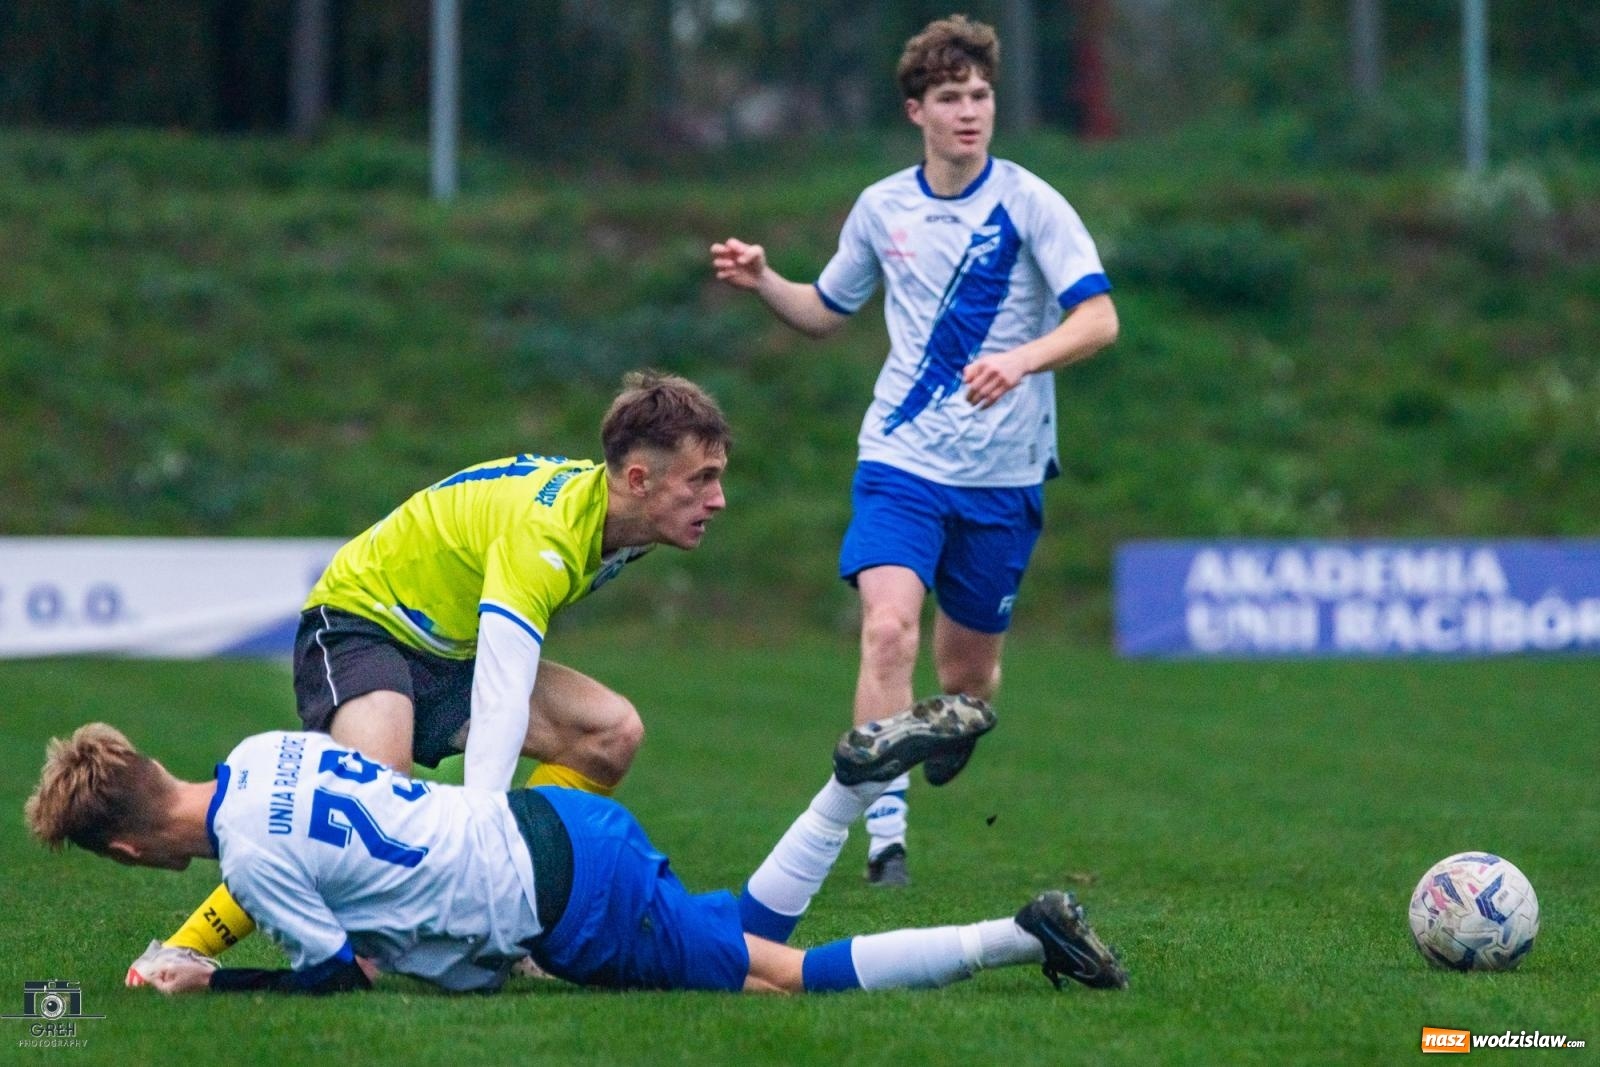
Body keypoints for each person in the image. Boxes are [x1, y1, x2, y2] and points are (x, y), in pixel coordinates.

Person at [130, 369, 732, 981]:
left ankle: (519, 914)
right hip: (363, 623)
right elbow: (501, 696)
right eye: (701, 480)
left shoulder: (630, 521)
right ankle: (185, 947)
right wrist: (480, 851)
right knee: (374, 803)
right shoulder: (544, 537)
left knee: (610, 732)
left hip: (447, 648)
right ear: (637, 479)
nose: (718, 499)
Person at [710, 15, 1119, 886]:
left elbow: (1099, 319)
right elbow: (825, 310)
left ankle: (957, 722)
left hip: (1004, 477)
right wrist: (763, 282)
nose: (969, 111)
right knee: (889, 630)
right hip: (900, 460)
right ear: (915, 111)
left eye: (980, 95)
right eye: (949, 97)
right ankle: (883, 832)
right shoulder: (881, 207)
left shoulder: (1031, 202)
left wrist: (1020, 359)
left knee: (969, 677)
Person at [26, 697, 1128, 996]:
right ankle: (845, 790)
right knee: (735, 934)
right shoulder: (264, 747)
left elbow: (328, 980)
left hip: (560, 899)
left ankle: (1021, 936)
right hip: (551, 821)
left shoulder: (249, 861)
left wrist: (207, 980)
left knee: (775, 976)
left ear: (124, 851)